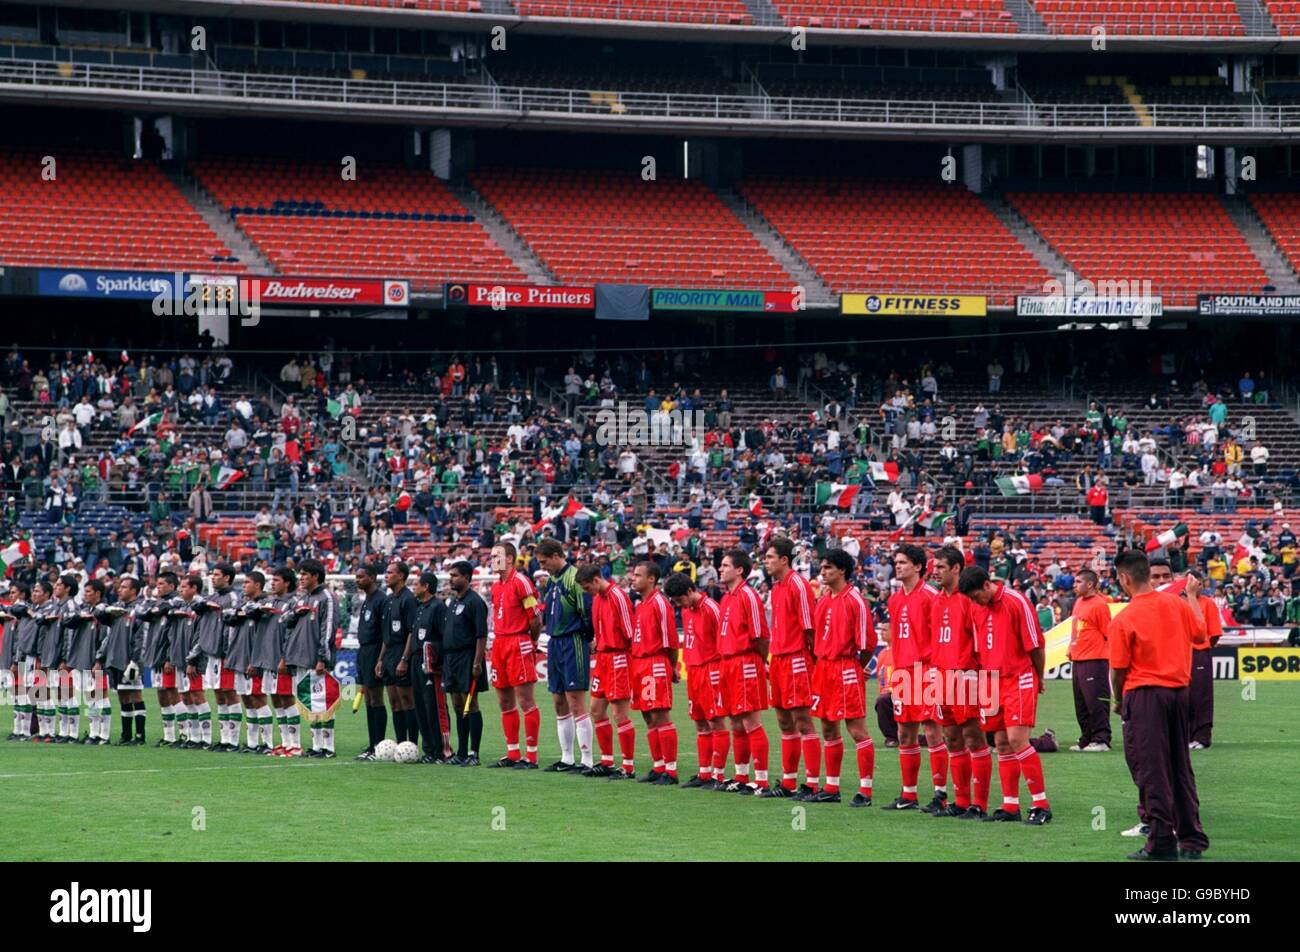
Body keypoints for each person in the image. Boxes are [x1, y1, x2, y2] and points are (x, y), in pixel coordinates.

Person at [1108, 549, 1210, 861]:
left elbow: (1118, 669)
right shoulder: (1177, 605)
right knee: (1180, 767)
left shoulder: (1124, 617)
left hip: (1145, 695)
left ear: (1124, 579)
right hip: (1179, 694)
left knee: (1151, 770)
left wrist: (1117, 700)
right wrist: (1192, 596)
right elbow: (1201, 633)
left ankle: (1162, 842)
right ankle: (1191, 839)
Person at [959, 566, 1052, 825]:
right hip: (990, 680)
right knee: (1000, 743)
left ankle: (1041, 804)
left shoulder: (1016, 602)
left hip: (1017, 676)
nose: (975, 601)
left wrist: (1039, 676)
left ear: (988, 585)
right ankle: (1010, 805)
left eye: (976, 595)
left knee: (1017, 739)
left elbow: (1035, 645)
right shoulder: (977, 607)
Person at [808, 548, 877, 805]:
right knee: (827, 726)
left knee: (856, 730)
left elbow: (867, 643)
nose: (823, 572)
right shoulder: (824, 599)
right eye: (822, 567)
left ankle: (865, 790)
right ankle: (832, 787)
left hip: (845, 667)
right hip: (823, 668)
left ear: (842, 571)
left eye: (828, 568)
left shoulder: (854, 600)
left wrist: (856, 667)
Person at [929, 545, 993, 819]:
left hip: (966, 675)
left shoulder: (970, 600)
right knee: (952, 738)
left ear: (956, 568)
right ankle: (961, 801)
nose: (935, 572)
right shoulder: (936, 600)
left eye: (941, 567)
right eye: (934, 566)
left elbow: (980, 643)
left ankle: (979, 804)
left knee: (973, 737)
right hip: (941, 677)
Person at [882, 543, 947, 812]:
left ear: (918, 567)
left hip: (928, 670)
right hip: (902, 672)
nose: (898, 566)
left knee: (932, 731)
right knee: (904, 733)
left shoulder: (932, 596)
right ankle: (908, 794)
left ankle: (940, 795)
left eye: (903, 562)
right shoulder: (894, 599)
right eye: (896, 562)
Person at [763, 537, 820, 798]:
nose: (766, 561)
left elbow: (810, 628)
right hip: (779, 659)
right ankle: (788, 782)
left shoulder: (799, 585)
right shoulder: (776, 587)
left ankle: (812, 783)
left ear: (784, 560)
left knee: (803, 721)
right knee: (784, 721)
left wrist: (813, 661)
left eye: (770, 557)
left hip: (797, 657)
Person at [1148, 561, 1223, 751]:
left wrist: (1201, 648)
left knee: (1200, 695)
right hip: (1178, 654)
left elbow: (1213, 635)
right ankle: (1185, 734)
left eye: (1197, 581)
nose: (1193, 584)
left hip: (1198, 653)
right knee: (1182, 696)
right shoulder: (1177, 601)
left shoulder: (1207, 604)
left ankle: (1201, 735)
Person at [663, 572, 728, 789]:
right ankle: (704, 773)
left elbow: (725, 641)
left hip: (712, 669)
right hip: (694, 671)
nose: (678, 604)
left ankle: (718, 776)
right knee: (700, 722)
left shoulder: (712, 608)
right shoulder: (687, 609)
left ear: (690, 591)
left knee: (716, 721)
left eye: (680, 599)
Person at [716, 549, 773, 795]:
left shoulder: (748, 595)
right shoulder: (727, 597)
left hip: (745, 662)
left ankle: (761, 781)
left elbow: (760, 635)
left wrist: (757, 661)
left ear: (739, 570)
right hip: (727, 663)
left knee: (751, 720)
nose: (721, 569)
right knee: (736, 722)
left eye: (726, 565)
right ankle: (741, 775)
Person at [535, 538, 594, 773]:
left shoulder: (575, 578)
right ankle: (567, 757)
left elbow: (586, 613)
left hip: (573, 643)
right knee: (559, 701)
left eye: (544, 561)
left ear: (557, 555)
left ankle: (587, 759)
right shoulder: (551, 581)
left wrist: (587, 639)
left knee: (575, 701)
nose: (543, 566)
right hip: (555, 643)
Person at [576, 562, 638, 779]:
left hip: (619, 657)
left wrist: (633, 662)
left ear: (596, 580)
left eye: (587, 587)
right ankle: (607, 761)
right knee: (595, 709)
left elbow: (630, 632)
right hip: (602, 658)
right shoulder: (596, 599)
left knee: (619, 713)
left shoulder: (618, 596)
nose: (586, 592)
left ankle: (628, 767)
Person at [487, 541, 543, 769]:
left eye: (496, 556)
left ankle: (531, 756)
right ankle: (512, 753)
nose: (492, 560)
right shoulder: (496, 586)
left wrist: (531, 640)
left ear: (509, 558)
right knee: (504, 700)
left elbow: (534, 618)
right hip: (499, 643)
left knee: (525, 700)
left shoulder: (521, 581)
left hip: (518, 641)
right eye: (491, 556)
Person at [628, 559, 679, 784]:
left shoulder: (660, 603)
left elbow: (670, 640)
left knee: (660, 714)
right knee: (648, 715)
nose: (633, 578)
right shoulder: (641, 604)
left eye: (638, 575)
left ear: (651, 579)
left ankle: (671, 769)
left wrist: (672, 666)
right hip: (639, 664)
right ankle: (658, 766)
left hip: (655, 662)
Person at [284, 559, 339, 757]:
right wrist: (295, 613)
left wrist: (322, 658)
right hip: (299, 658)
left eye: (305, 574)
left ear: (315, 576)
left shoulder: (327, 597)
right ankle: (316, 746)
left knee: (323, 702)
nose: (301, 578)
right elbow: (286, 622)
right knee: (310, 703)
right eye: (300, 574)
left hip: (316, 659)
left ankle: (328, 747)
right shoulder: (302, 599)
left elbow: (329, 629)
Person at [441, 561, 489, 766]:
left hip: (468, 658)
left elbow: (481, 635)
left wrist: (477, 662)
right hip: (451, 659)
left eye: (455, 575)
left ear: (467, 578)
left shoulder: (475, 602)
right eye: (450, 575)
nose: (451, 578)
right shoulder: (452, 602)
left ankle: (473, 753)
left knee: (471, 704)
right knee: (457, 705)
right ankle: (460, 752)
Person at [96, 575, 147, 745]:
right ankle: (126, 735)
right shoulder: (117, 608)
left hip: (129, 659)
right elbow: (97, 614)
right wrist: (105, 609)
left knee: (135, 695)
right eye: (120, 587)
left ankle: (140, 736)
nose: (120, 589)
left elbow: (141, 637)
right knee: (123, 696)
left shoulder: (139, 609)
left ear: (133, 591)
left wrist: (135, 661)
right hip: (115, 658)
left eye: (124, 587)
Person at [1068, 569, 1113, 753]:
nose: (1074, 585)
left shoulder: (1100, 605)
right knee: (1081, 704)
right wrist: (1071, 647)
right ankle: (1086, 738)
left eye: (1078, 581)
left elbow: (1108, 633)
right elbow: (1075, 628)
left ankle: (1101, 739)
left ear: (1090, 584)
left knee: (1096, 702)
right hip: (1078, 658)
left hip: (1095, 659)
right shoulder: (1078, 602)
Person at [409, 570, 451, 764]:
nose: (414, 587)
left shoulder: (438, 607)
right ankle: (429, 750)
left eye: (417, 584)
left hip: (431, 664)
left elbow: (445, 637)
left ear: (426, 587)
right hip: (416, 661)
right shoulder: (419, 608)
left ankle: (442, 749)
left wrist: (436, 658)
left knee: (434, 706)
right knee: (420, 706)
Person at [379, 561, 419, 748]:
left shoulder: (408, 599)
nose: (386, 575)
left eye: (390, 572)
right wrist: (380, 659)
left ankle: (411, 743)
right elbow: (386, 635)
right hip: (389, 654)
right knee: (394, 702)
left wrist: (404, 659)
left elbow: (411, 631)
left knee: (407, 700)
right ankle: (401, 742)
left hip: (403, 651)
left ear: (401, 576)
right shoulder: (389, 600)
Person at [352, 563, 389, 760]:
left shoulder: (381, 600)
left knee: (376, 697)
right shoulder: (366, 600)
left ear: (373, 578)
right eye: (357, 577)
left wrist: (381, 659)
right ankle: (372, 743)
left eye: (361, 577)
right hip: (364, 650)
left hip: (376, 650)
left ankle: (379, 745)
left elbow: (385, 633)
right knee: (368, 698)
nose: (358, 580)